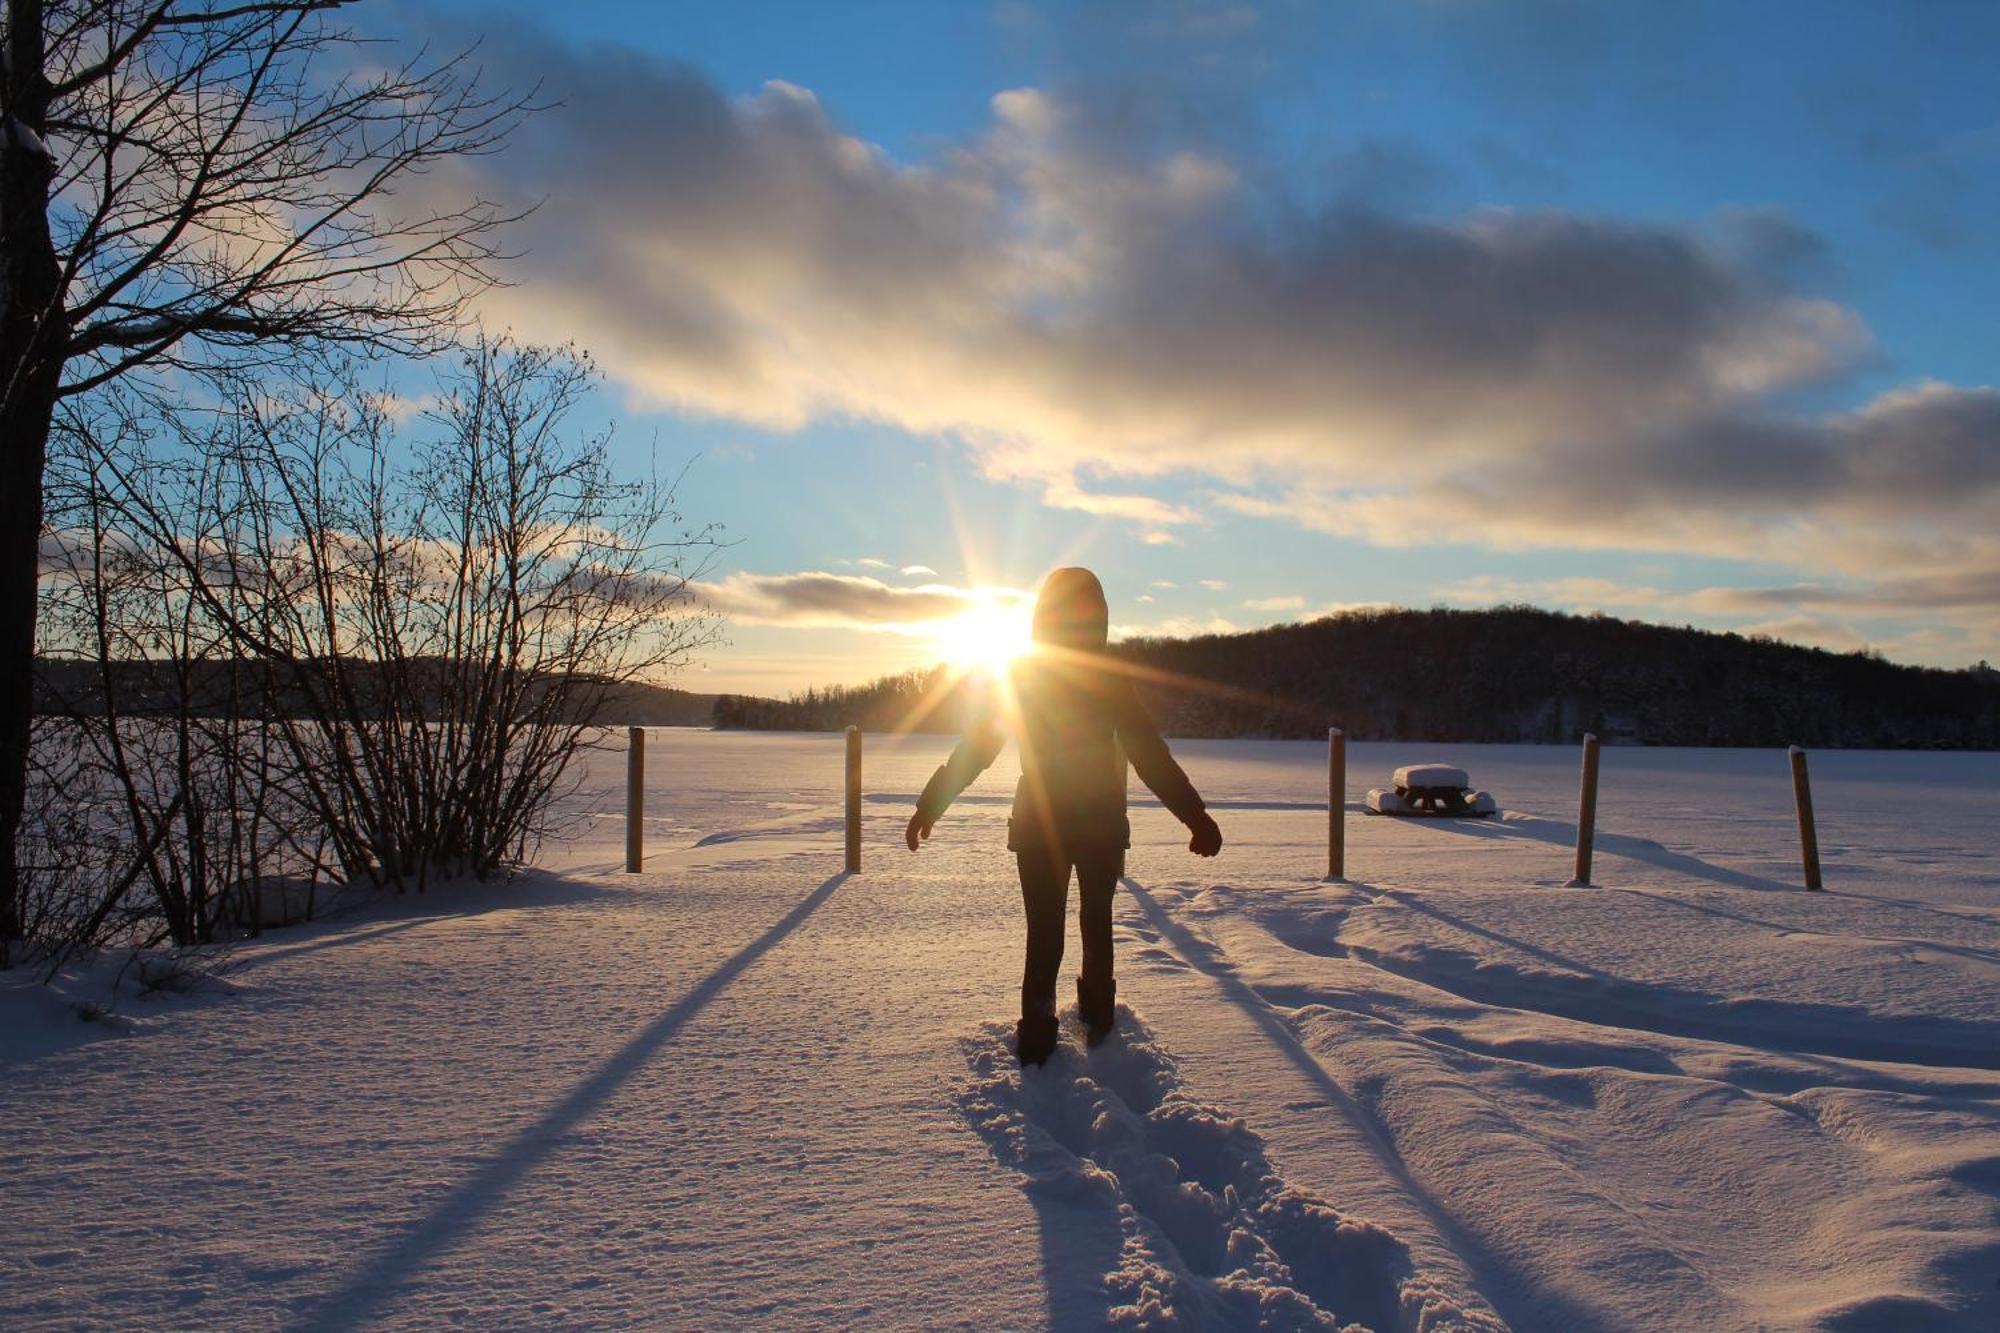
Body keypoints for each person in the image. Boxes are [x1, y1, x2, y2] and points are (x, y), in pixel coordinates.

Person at [905, 567, 1222, 1066]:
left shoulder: (1025, 675)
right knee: (1090, 923)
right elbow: (1150, 756)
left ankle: (1039, 1037)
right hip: (1087, 825)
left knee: (1049, 930)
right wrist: (1195, 817)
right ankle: (1095, 1021)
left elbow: (977, 748)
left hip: (1043, 825)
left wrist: (932, 802)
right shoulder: (1103, 679)